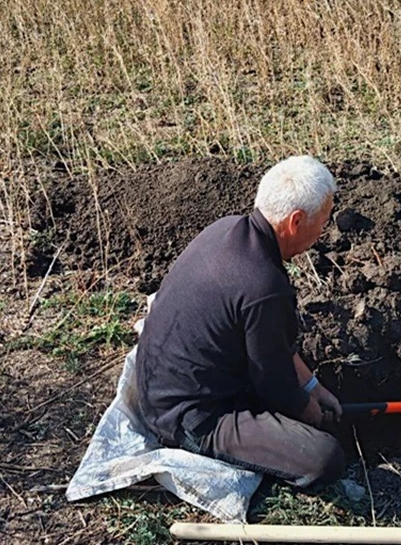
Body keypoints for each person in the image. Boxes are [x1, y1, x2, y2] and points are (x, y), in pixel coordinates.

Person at [134, 155, 346, 488]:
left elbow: (273, 344)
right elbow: (276, 388)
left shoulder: (226, 228)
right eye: (323, 220)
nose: (324, 231)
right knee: (323, 457)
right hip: (189, 416)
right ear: (296, 221)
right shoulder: (264, 286)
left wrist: (313, 387)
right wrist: (311, 412)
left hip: (159, 382)